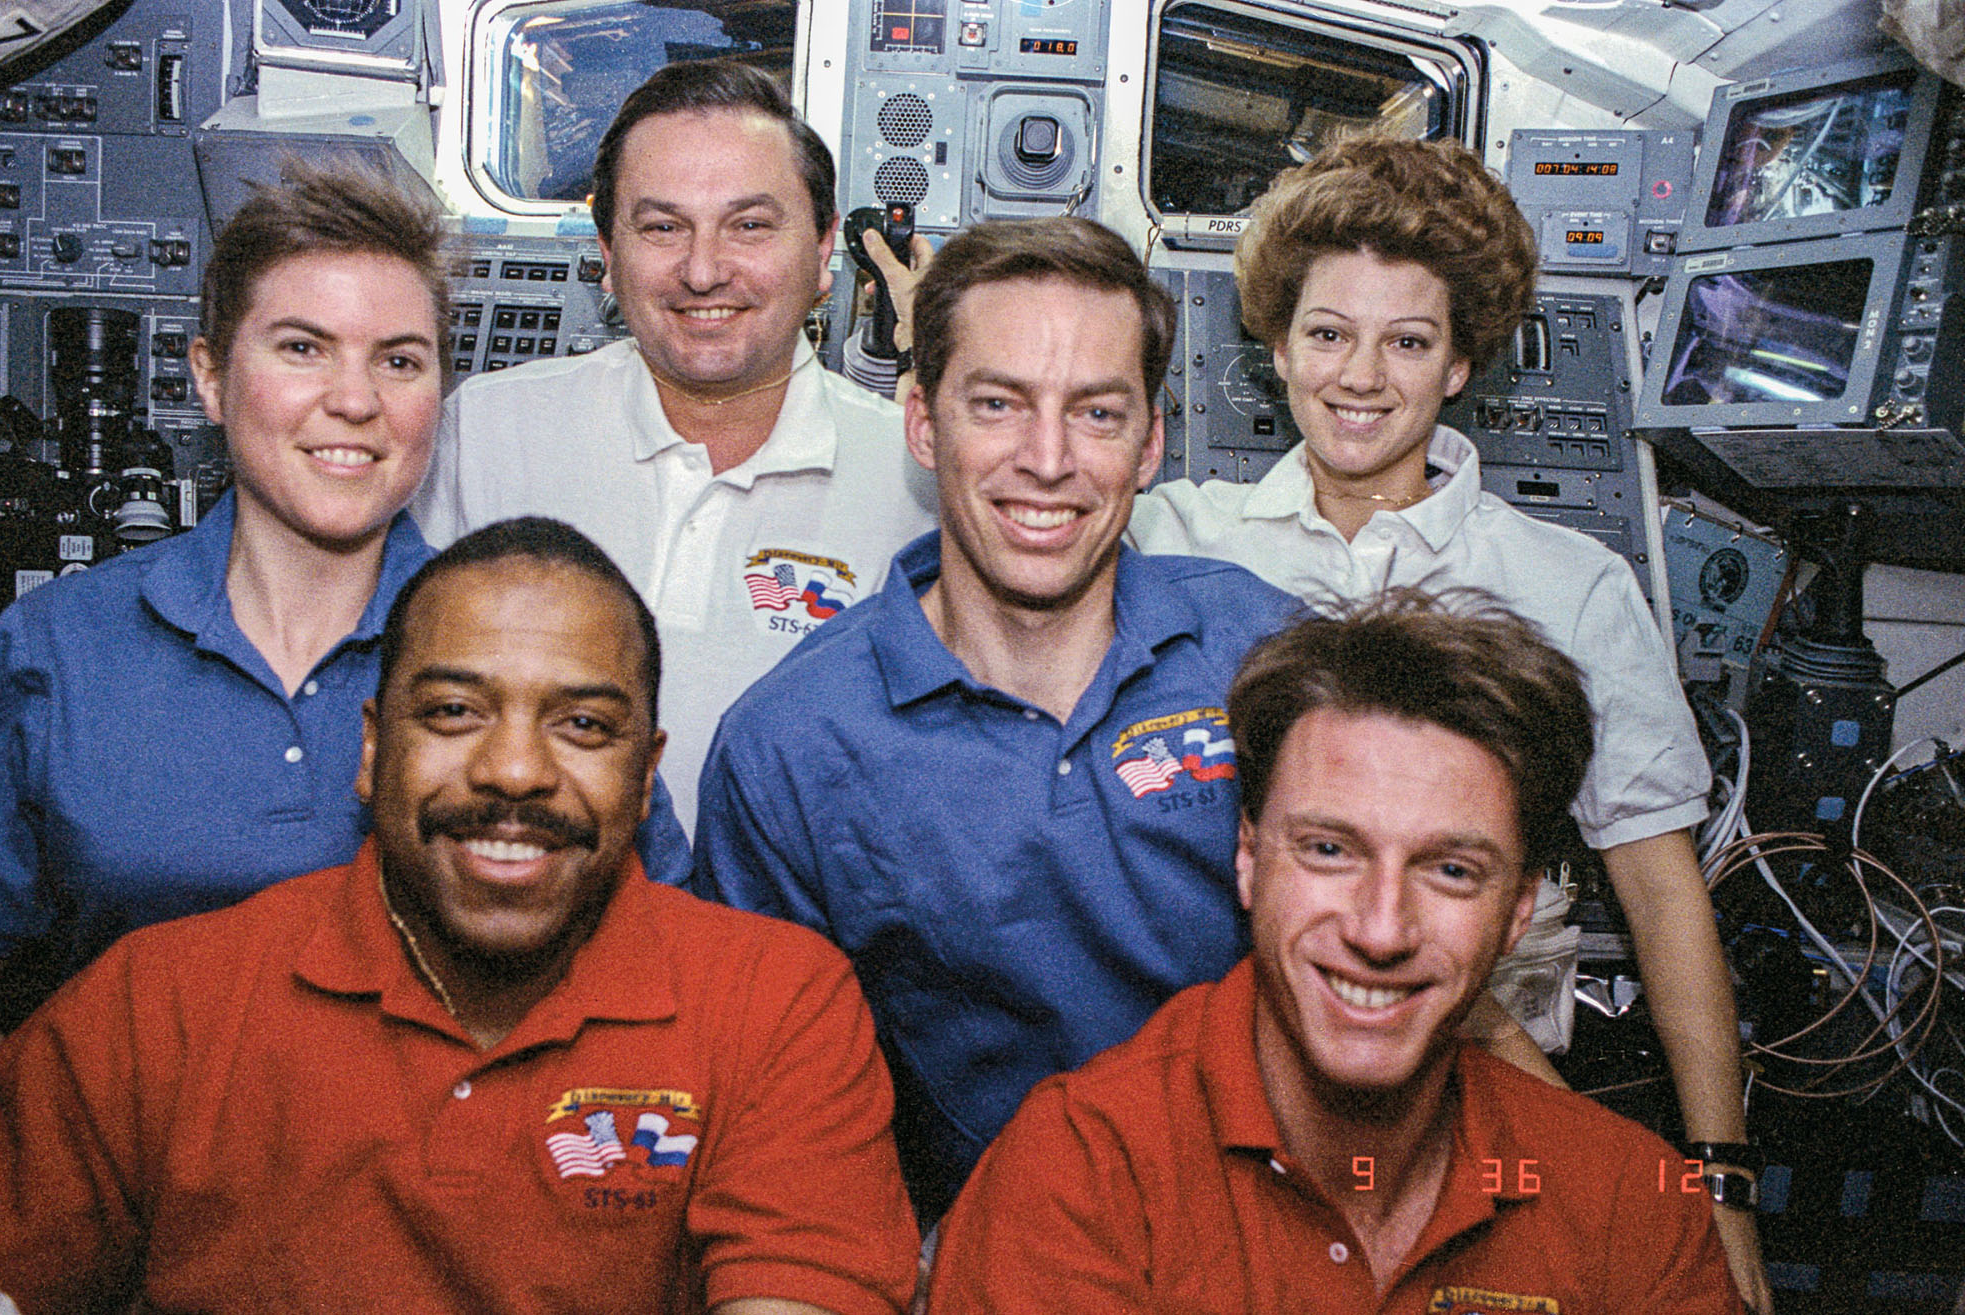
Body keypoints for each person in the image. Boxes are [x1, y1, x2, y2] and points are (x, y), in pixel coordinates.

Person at [0, 517, 919, 1314]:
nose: (514, 770)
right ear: (374, 751)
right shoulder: (165, 997)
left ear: (643, 778)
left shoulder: (777, 1002)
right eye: (456, 711)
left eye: (583, 725)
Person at [1125, 135, 1769, 1309]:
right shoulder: (1175, 540)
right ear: (1274, 347)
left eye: (1406, 340)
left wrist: (1715, 1178)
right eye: (1326, 334)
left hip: (1489, 1115)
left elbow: (1661, 890)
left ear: (1461, 361)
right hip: (1227, 1101)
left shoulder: (1563, 581)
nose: (1359, 375)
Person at [0, 162, 688, 1072]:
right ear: (212, 376)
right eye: (303, 348)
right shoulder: (57, 652)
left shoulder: (539, 660)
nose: (356, 400)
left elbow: (670, 977)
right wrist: (24, 1191)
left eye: (398, 360)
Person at [691, 217, 1298, 1222]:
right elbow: (768, 1113)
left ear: (1149, 444)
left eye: (1096, 414)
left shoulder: (1261, 654)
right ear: (923, 423)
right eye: (998, 405)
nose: (1047, 459)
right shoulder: (790, 745)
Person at [927, 592, 1746, 1314]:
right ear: (1247, 856)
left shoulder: (1628, 1199)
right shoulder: (1082, 1174)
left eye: (1452, 870)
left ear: (1518, 909)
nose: (1380, 930)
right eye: (1329, 850)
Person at [413, 61, 936, 826]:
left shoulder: (918, 478)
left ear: (824, 250)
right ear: (608, 252)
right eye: (662, 227)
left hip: (794, 933)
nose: (702, 270)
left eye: (750, 225)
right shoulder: (486, 434)